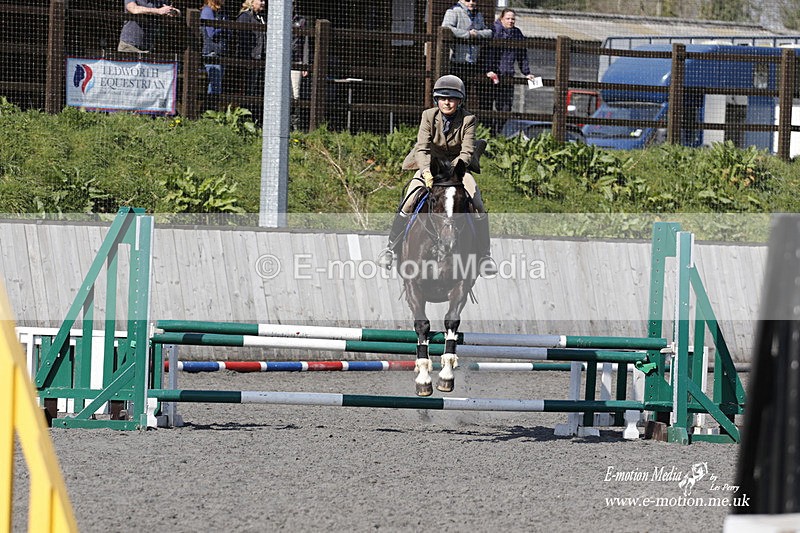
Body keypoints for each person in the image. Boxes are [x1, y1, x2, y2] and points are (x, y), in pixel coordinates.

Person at [377, 75, 497, 276]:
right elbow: (422, 148)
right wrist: (426, 172)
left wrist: (454, 172)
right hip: (430, 166)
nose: (447, 102)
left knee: (478, 203)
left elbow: (467, 152)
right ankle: (390, 248)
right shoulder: (428, 116)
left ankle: (485, 255)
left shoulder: (468, 119)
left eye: (452, 99)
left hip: (457, 169)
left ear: (460, 101)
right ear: (436, 100)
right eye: (442, 98)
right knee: (408, 201)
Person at [484, 8, 536, 133]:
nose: (511, 21)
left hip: (508, 76)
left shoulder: (517, 33)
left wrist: (527, 73)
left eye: (513, 19)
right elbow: (487, 52)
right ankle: (487, 133)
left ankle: (497, 132)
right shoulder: (493, 30)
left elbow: (522, 55)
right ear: (501, 18)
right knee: (487, 106)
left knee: (506, 108)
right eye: (508, 18)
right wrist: (488, 69)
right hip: (492, 76)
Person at [441, 0, 492, 110]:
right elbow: (446, 28)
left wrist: (477, 34)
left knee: (465, 95)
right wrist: (467, 34)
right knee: (455, 94)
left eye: (474, 0)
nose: (471, 2)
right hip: (457, 61)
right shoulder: (453, 11)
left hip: (473, 62)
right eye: (468, 0)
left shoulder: (478, 15)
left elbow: (488, 32)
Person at [236, 0, 265, 97]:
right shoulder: (245, 16)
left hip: (258, 58)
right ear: (252, 2)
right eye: (260, 0)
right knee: (247, 89)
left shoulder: (260, 17)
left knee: (254, 89)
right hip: (249, 59)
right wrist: (247, 58)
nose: (263, 3)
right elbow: (241, 38)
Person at [201, 0, 228, 97]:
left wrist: (222, 28)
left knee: (217, 83)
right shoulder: (207, 11)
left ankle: (212, 104)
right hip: (211, 52)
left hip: (221, 52)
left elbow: (229, 33)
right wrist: (224, 27)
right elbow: (211, 33)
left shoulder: (222, 12)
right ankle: (212, 105)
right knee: (215, 84)